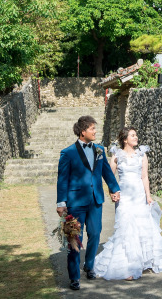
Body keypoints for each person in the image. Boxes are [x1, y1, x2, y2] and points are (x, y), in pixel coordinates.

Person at [94, 126, 162, 280]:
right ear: (125, 139)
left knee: (141, 227)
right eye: (132, 135)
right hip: (124, 197)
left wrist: (148, 196)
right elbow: (110, 176)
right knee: (126, 227)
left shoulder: (142, 155)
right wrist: (112, 192)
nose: (136, 137)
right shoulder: (116, 155)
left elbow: (144, 177)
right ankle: (127, 266)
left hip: (139, 195)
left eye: (136, 135)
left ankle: (142, 261)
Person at [56, 116, 121, 291]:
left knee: (95, 233)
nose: (95, 131)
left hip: (96, 200)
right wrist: (61, 202)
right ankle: (74, 277)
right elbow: (62, 179)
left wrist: (114, 189)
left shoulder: (99, 150)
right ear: (83, 131)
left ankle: (89, 265)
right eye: (92, 128)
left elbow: (106, 172)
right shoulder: (68, 153)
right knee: (74, 238)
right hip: (75, 202)